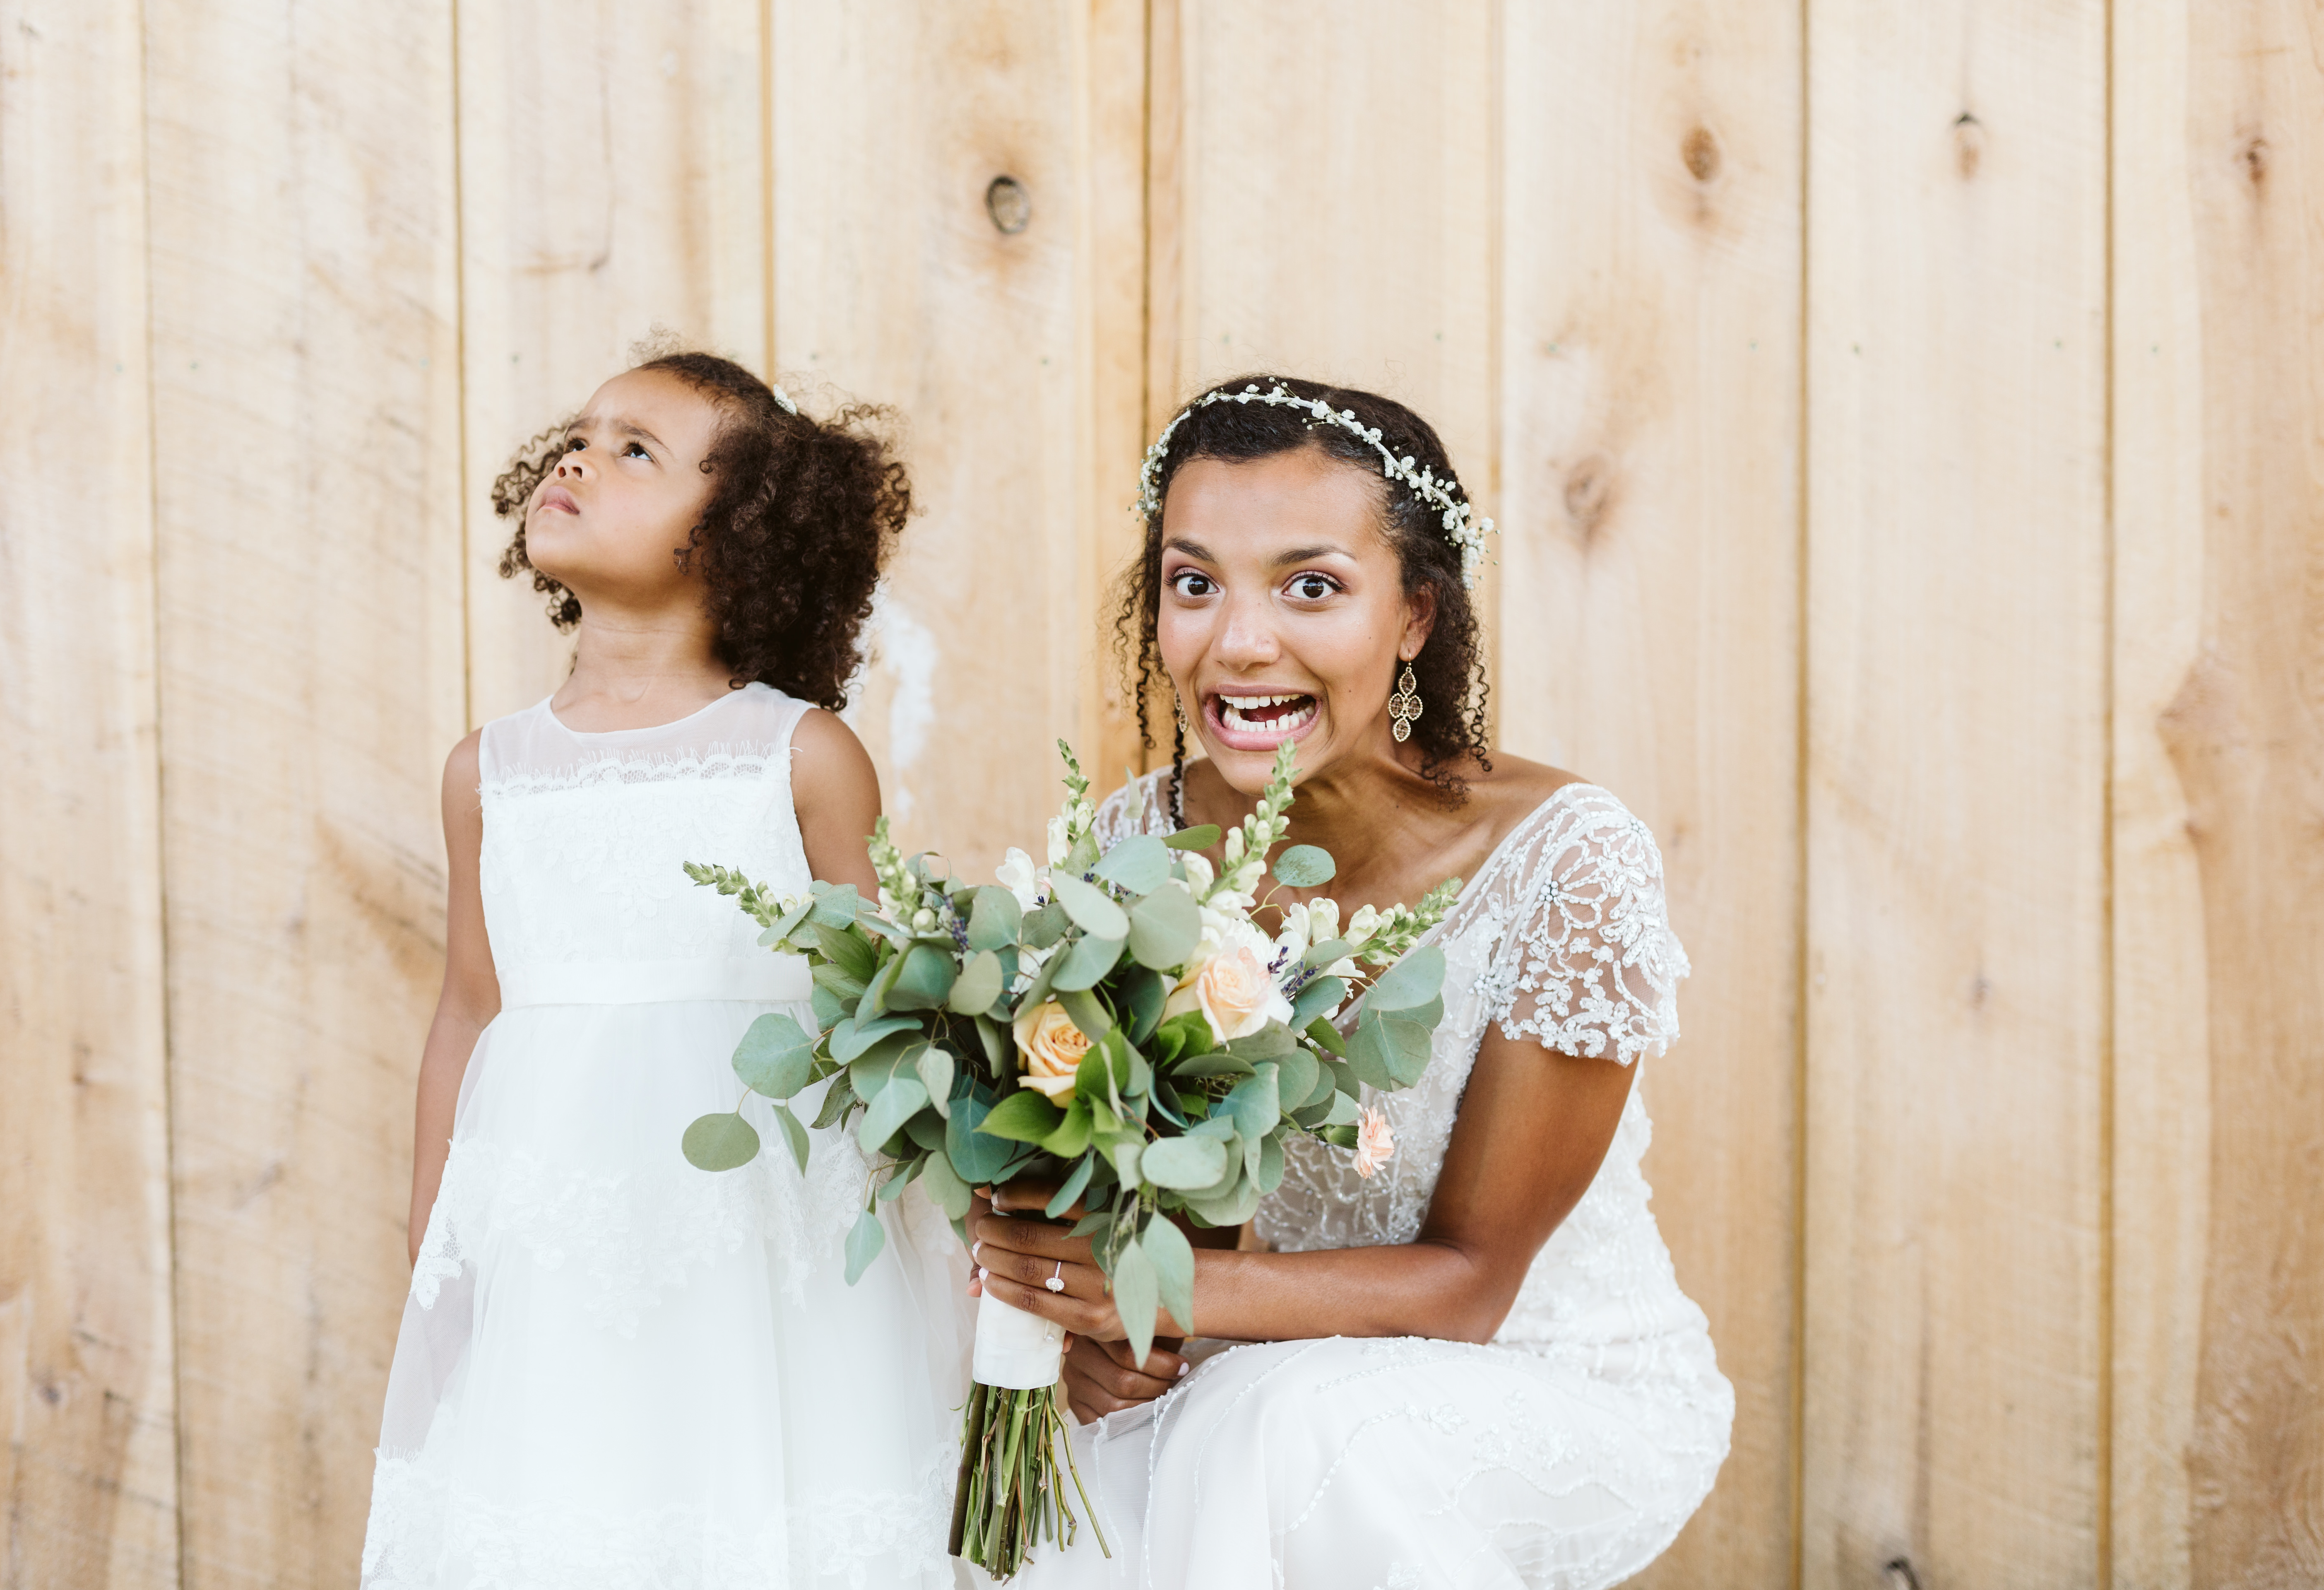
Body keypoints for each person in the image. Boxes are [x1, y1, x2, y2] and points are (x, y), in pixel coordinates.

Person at [967, 376, 1733, 1588]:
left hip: (1550, 1377)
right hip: (1257, 1370)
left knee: (1293, 1426)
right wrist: (1103, 1350)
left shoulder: (1566, 861)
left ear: (1416, 615)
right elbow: (1158, 1214)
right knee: (1084, 1478)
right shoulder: (1131, 851)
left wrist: (1154, 1298)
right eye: (1194, 581)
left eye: (1311, 586)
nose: (1240, 641)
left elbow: (1473, 1285)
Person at [360, 352, 969, 1588]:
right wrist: (442, 1229)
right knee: (574, 1502)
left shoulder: (797, 756)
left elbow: (881, 1013)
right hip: (556, 1230)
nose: (578, 457)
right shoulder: (490, 772)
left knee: (753, 1500)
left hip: (758, 1235)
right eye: (578, 436)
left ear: (738, 533)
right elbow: (472, 1008)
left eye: (638, 448)